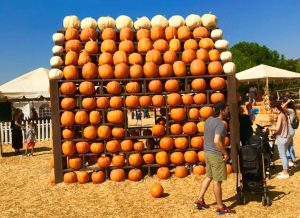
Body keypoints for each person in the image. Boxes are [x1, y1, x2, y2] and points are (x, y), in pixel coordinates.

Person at [194, 102, 236, 215]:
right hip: (216, 154)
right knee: (217, 181)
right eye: (227, 109)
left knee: (209, 176)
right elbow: (217, 140)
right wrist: (225, 153)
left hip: (207, 152)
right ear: (221, 111)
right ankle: (220, 207)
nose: (228, 111)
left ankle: (200, 200)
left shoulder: (208, 120)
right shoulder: (221, 124)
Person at [267, 101, 291, 179]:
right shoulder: (283, 114)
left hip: (282, 138)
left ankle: (286, 173)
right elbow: (280, 127)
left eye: (272, 109)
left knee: (282, 155)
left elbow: (277, 128)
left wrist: (268, 128)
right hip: (286, 137)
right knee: (284, 155)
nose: (272, 111)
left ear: (275, 108)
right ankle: (285, 171)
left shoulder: (280, 115)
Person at [282, 98, 297, 167]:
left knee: (285, 145)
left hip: (289, 130)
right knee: (290, 146)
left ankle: (290, 161)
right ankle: (293, 160)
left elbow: (282, 107)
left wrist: (287, 102)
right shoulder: (291, 111)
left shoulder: (290, 110)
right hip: (290, 130)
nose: (282, 104)